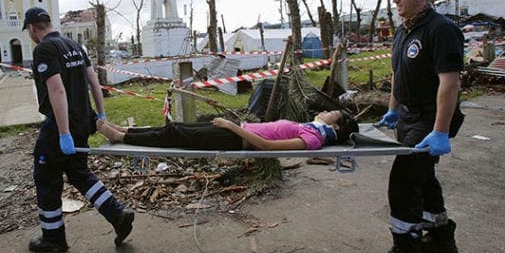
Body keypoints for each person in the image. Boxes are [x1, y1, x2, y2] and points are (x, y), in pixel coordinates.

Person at [372, 0, 465, 253]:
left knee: (402, 180)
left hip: (430, 117)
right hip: (409, 116)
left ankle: (406, 252)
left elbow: (449, 83)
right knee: (423, 177)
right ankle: (440, 237)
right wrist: (393, 109)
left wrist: (440, 129)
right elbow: (398, 73)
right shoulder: (403, 32)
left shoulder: (441, 30)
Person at [23, 7, 134, 253]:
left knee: (46, 177)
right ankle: (118, 215)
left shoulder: (43, 50)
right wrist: (101, 114)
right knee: (78, 172)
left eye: (29, 31)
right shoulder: (74, 45)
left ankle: (53, 237)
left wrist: (63, 133)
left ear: (32, 28)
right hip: (83, 120)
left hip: (61, 124)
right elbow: (94, 82)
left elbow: (57, 90)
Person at [96, 110, 359, 151]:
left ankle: (121, 137)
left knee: (175, 135)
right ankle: (126, 130)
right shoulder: (315, 128)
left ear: (334, 126)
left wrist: (230, 125)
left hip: (234, 137)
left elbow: (266, 147)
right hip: (234, 130)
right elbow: (318, 118)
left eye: (331, 113)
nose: (325, 111)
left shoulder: (313, 138)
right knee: (174, 127)